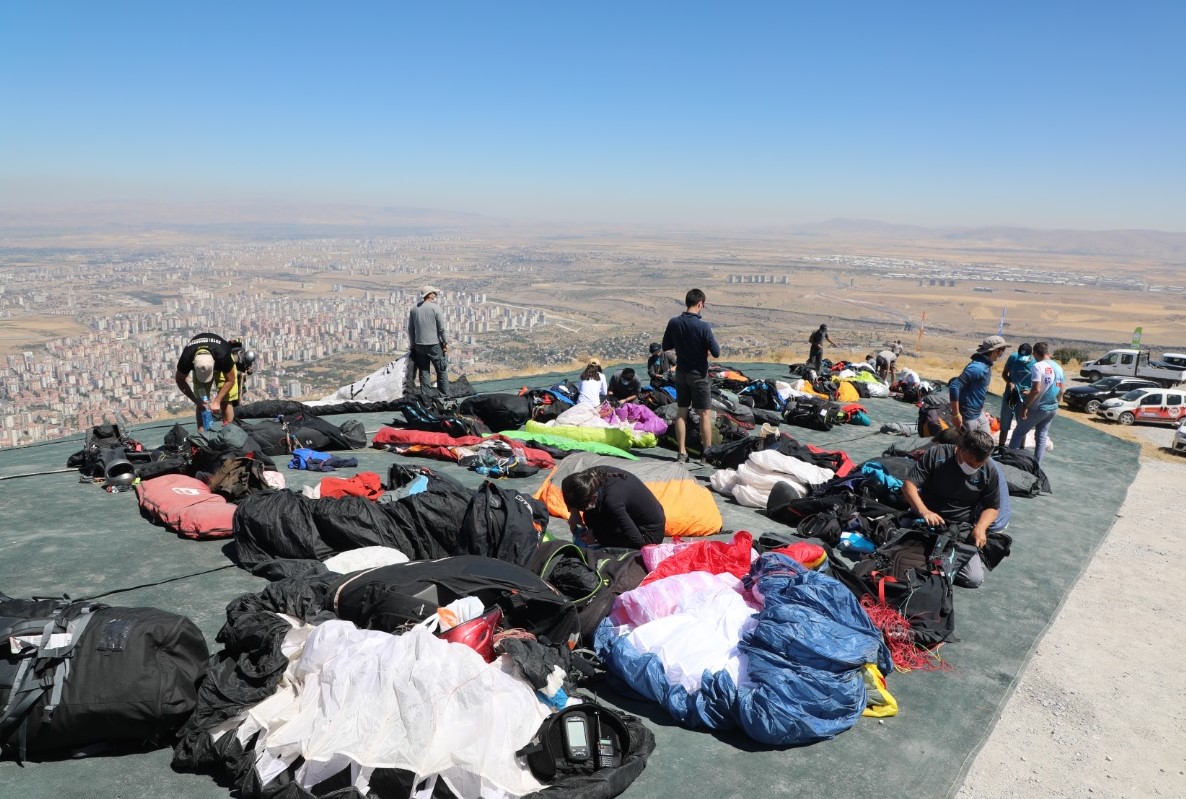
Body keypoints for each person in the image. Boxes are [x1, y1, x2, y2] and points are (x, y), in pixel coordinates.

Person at [902, 428, 1001, 587]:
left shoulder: (989, 470)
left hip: (959, 528)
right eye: (970, 463)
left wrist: (981, 528)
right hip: (926, 519)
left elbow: (993, 507)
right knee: (904, 557)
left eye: (978, 465)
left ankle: (940, 564)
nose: (973, 467)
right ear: (960, 449)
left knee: (973, 578)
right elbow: (909, 485)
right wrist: (924, 511)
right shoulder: (937, 455)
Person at [661, 288, 721, 464]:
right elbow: (716, 352)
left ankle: (681, 453)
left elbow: (666, 345)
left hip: (681, 373)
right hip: (699, 375)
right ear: (700, 303)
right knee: (704, 414)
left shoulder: (674, 323)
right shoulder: (703, 327)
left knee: (682, 412)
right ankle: (706, 454)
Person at [562, 466, 666, 549]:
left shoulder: (612, 501)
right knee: (589, 518)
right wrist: (573, 513)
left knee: (593, 523)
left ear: (593, 497)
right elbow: (568, 488)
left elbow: (638, 541)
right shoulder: (589, 476)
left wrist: (597, 535)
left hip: (648, 535)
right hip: (627, 512)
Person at [1009, 341, 1064, 465]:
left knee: (1018, 432)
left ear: (1035, 353)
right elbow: (1061, 390)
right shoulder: (1059, 367)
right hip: (1052, 407)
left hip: (1038, 407)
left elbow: (1036, 389)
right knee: (1041, 436)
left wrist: (1025, 406)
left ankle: (1008, 461)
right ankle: (1036, 466)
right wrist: (1056, 403)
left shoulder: (1038, 366)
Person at [175, 332, 238, 431]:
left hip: (221, 364)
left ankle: (231, 433)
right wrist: (196, 401)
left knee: (226, 400)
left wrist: (217, 401)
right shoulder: (187, 357)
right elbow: (180, 380)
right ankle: (201, 436)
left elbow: (230, 380)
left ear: (214, 362)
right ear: (193, 363)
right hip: (201, 362)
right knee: (202, 403)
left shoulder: (223, 355)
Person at [949, 335, 1009, 434]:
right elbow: (954, 386)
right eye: (1002, 349)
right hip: (968, 416)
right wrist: (956, 415)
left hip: (978, 413)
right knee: (970, 447)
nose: (1002, 353)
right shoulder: (978, 367)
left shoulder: (985, 365)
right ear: (995, 351)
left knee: (987, 443)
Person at [407, 285, 449, 396]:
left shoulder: (414, 309)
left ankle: (427, 399)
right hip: (434, 345)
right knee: (441, 371)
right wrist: (445, 342)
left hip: (419, 345)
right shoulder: (436, 308)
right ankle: (444, 397)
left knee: (424, 372)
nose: (436, 295)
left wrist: (412, 344)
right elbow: (441, 329)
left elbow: (411, 329)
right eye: (434, 293)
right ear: (429, 295)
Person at [997, 342, 1034, 447]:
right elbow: (1004, 374)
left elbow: (1038, 385)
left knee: (1022, 425)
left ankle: (1020, 449)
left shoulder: (1035, 363)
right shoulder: (1013, 358)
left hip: (1024, 399)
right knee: (1004, 423)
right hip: (1010, 396)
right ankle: (1001, 447)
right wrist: (1010, 382)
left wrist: (1029, 391)